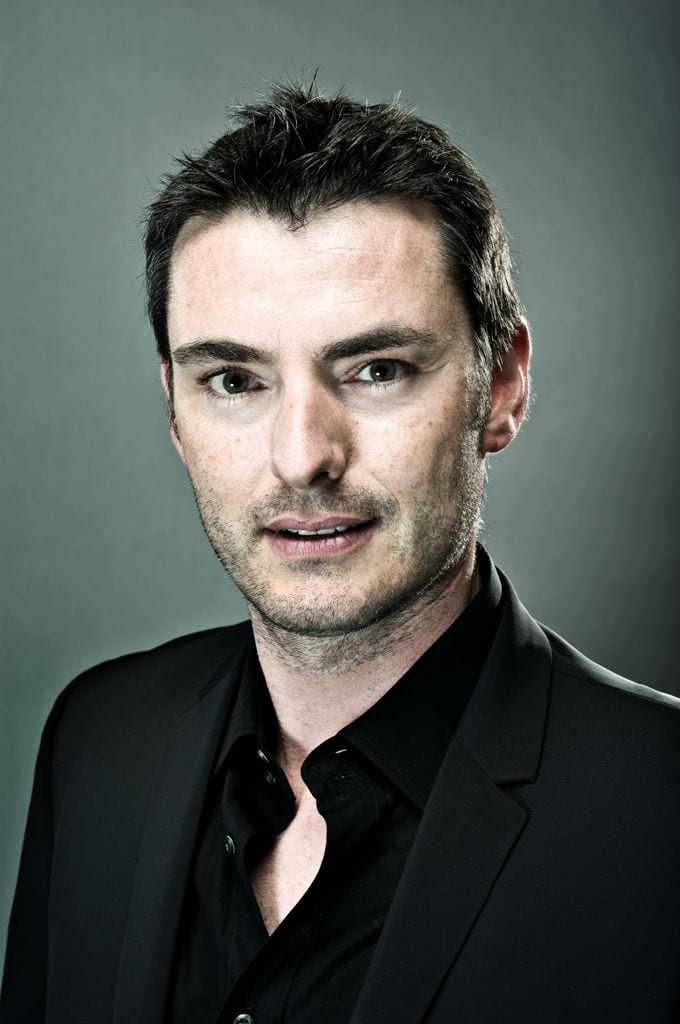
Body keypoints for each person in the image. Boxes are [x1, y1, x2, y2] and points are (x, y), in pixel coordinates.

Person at [2, 80, 679, 1024]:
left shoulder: (661, 806)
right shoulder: (97, 739)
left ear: (503, 386)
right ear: (175, 411)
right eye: (233, 380)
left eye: (375, 370)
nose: (302, 457)